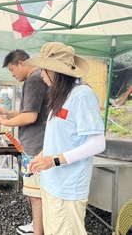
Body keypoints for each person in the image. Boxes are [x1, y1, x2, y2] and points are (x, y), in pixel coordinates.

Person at [26, 42, 106, 235]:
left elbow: (97, 143)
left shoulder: (82, 95)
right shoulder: (62, 95)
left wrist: (54, 160)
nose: (42, 76)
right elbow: (61, 136)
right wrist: (42, 155)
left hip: (68, 188)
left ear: (55, 72)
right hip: (52, 183)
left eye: (44, 71)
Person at [0, 49, 49, 235]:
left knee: (35, 194)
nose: (12, 74)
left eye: (11, 70)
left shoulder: (34, 80)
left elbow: (31, 117)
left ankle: (38, 231)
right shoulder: (36, 77)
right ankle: (37, 225)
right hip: (36, 144)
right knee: (34, 191)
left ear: (21, 63)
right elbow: (30, 111)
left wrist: (5, 122)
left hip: (36, 146)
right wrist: (10, 114)